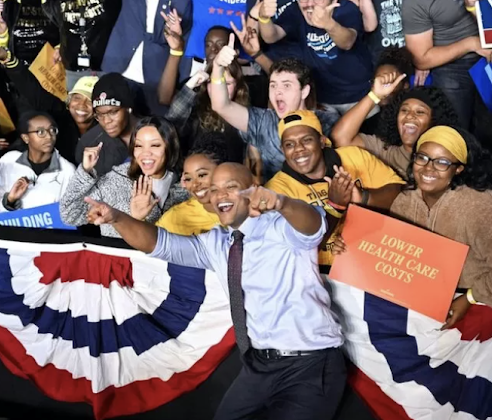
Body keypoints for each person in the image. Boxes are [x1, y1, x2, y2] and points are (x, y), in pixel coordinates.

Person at [84, 162, 346, 420]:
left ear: (253, 191)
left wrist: (282, 203)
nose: (221, 195)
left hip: (310, 365)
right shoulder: (217, 243)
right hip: (260, 366)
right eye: (215, 189)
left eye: (231, 187)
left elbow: (315, 226)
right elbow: (158, 243)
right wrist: (117, 218)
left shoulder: (281, 227)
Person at [384, 126, 492, 326]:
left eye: (442, 162)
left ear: (459, 168)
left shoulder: (485, 205)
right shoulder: (405, 200)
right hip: (421, 316)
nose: (428, 168)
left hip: (480, 321)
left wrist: (471, 298)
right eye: (422, 157)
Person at [267, 110, 404, 265]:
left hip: (374, 259)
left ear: (322, 141)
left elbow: (399, 193)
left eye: (306, 140)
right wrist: (335, 208)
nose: (298, 148)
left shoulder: (354, 157)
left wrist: (363, 197)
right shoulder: (276, 190)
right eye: (289, 144)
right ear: (282, 150)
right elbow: (291, 255)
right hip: (323, 275)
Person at [210, 42, 339, 180]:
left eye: (286, 86)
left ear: (304, 91)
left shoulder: (327, 121)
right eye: (273, 85)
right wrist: (217, 67)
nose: (278, 92)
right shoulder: (263, 122)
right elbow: (221, 106)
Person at [0, 34, 98, 164]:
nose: (81, 105)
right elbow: (31, 88)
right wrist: (6, 58)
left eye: (89, 100)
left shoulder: (104, 131)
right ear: (69, 100)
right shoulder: (59, 113)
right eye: (77, 97)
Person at [60, 117, 189, 238]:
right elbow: (70, 214)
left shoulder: (184, 185)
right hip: (120, 260)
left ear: (170, 147)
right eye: (139, 145)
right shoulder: (116, 181)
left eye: (155, 145)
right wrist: (85, 171)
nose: (146, 153)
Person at [256, 0, 374, 114]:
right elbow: (271, 37)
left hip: (358, 93)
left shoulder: (346, 8)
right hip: (322, 97)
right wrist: (263, 18)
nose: (310, 4)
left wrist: (329, 24)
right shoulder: (295, 10)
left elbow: (347, 42)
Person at [331, 74, 459, 175]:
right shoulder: (387, 152)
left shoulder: (445, 160)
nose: (409, 116)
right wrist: (375, 96)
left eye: (420, 112)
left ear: (435, 121)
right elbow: (341, 138)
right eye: (404, 110)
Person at [403, 0, 490, 129]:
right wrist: (470, 44)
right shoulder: (415, 3)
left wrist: (474, 8)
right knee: (455, 128)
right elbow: (422, 59)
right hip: (451, 65)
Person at [101, 0, 193, 115]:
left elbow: (177, 37)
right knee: (111, 120)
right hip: (119, 65)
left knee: (151, 125)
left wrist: (171, 32)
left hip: (155, 75)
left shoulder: (181, 3)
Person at [0, 111, 75, 214]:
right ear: (25, 138)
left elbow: (71, 217)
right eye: (41, 132)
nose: (49, 137)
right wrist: (9, 201)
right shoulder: (7, 162)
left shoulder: (68, 171)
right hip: (11, 229)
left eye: (52, 130)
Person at [165, 61, 249, 164]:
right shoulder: (196, 110)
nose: (218, 88)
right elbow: (171, 124)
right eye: (212, 81)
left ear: (238, 87)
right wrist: (190, 86)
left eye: (226, 83)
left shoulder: (246, 116)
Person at [157, 133, 234, 235]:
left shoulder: (251, 201)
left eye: (202, 175)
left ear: (223, 169)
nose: (195, 184)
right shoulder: (175, 218)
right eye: (189, 179)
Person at [73, 72, 137, 178]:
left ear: (128, 108)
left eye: (113, 112)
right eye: (100, 114)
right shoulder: (89, 143)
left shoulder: (155, 133)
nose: (106, 121)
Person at [1, 0, 61, 65]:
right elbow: (1, 45)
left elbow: (67, 33)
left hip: (49, 66)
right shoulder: (8, 5)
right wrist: (1, 35)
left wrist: (60, 48)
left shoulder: (55, 4)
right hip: (17, 66)